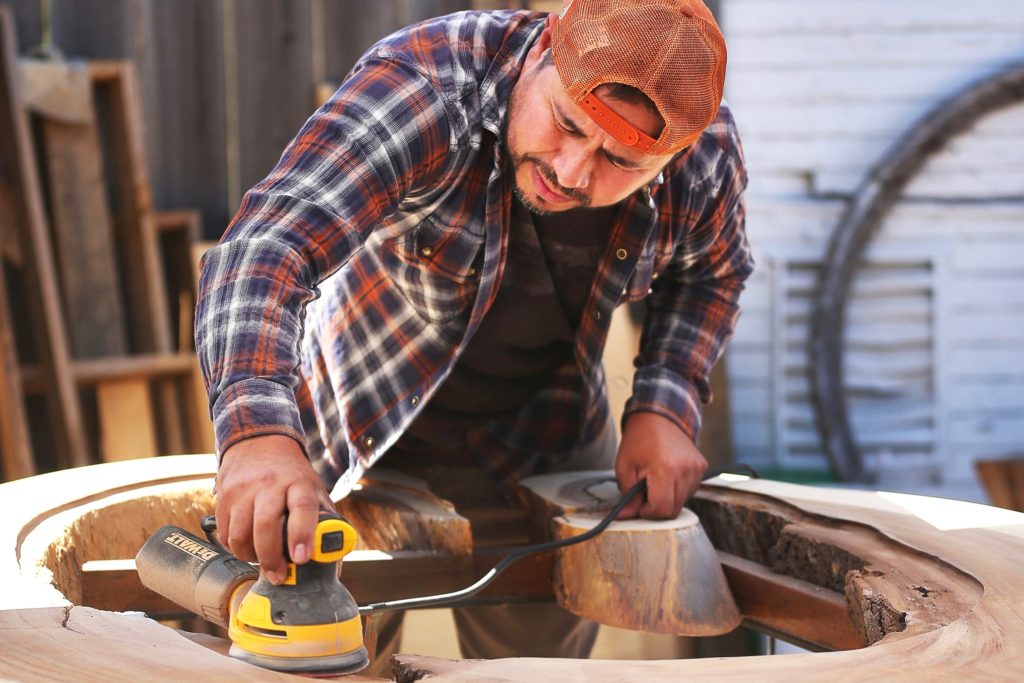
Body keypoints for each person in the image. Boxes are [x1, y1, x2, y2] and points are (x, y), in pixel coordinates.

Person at [195, 0, 752, 665]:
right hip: (350, 425)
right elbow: (269, 246)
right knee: (318, 657)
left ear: (673, 158)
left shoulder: (705, 155)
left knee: (536, 670)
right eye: (566, 122)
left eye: (620, 163)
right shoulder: (428, 86)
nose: (571, 172)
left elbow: (711, 276)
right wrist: (258, 436)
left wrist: (665, 404)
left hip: (544, 436)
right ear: (545, 49)